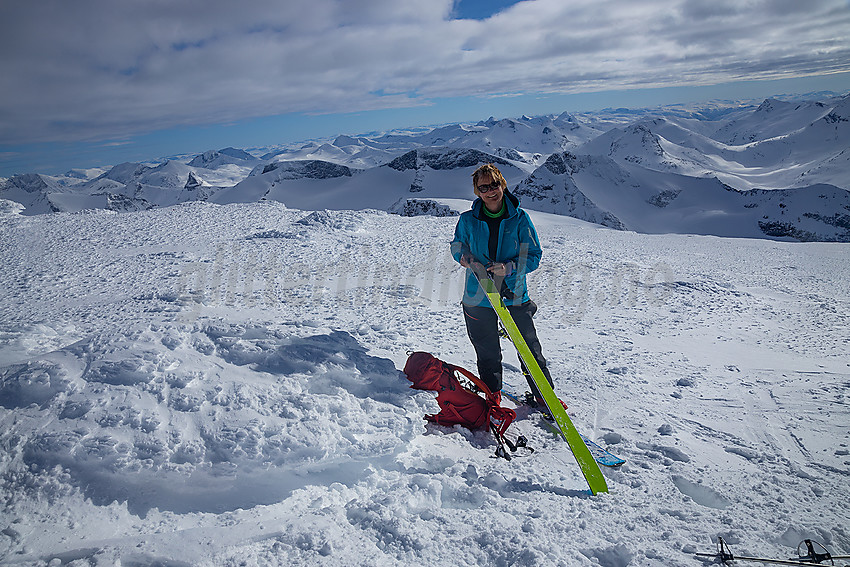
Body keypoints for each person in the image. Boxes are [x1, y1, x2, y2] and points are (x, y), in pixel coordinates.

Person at [450, 163, 555, 405]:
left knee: (529, 350)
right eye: (483, 187)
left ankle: (544, 397)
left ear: (503, 185)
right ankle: (492, 396)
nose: (490, 191)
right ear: (477, 191)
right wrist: (463, 258)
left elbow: (533, 255)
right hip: (478, 296)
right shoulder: (467, 220)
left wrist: (509, 268)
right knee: (487, 353)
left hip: (514, 294)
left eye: (494, 184)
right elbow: (457, 245)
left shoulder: (520, 219)